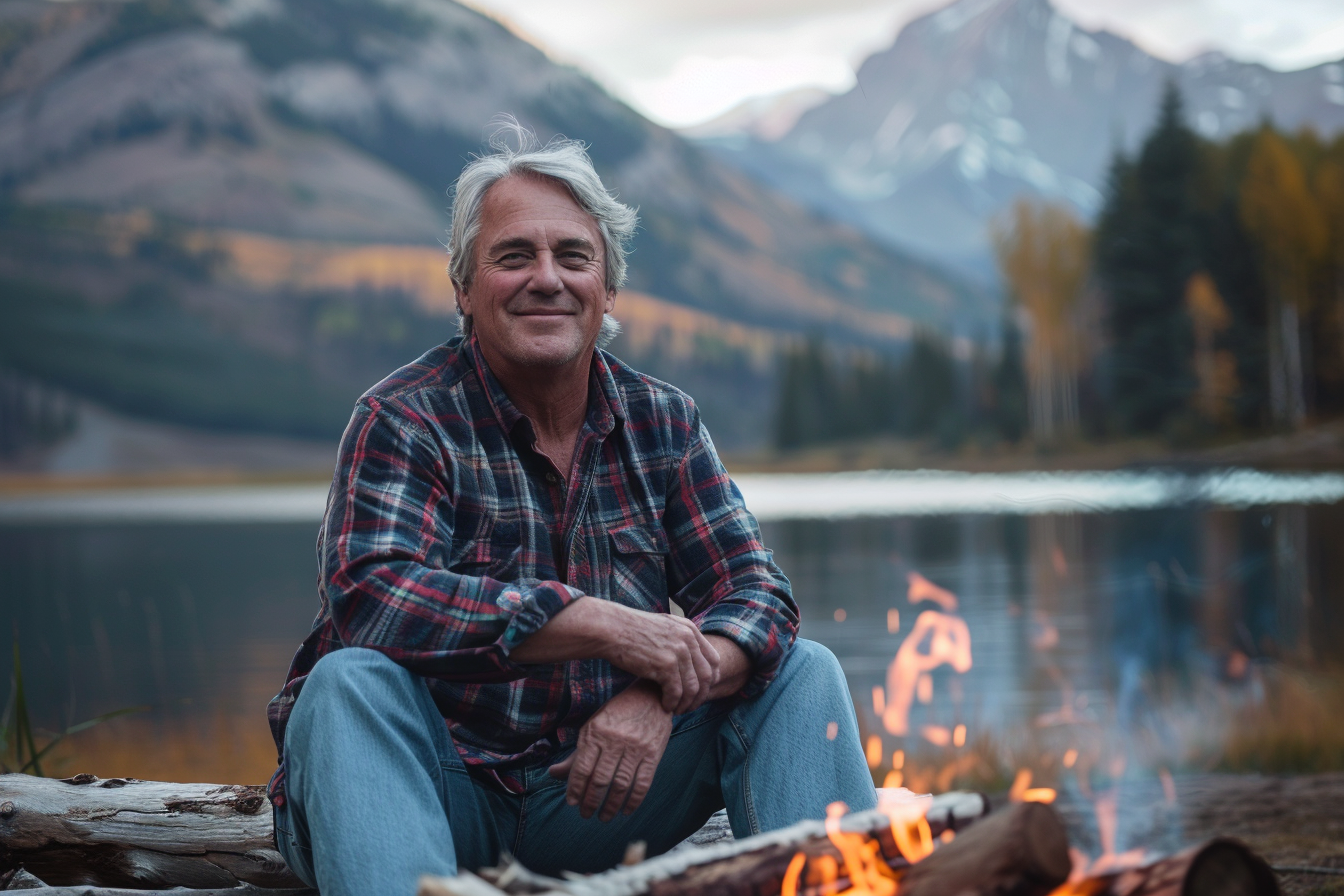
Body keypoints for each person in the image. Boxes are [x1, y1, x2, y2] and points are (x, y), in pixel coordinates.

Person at [265, 123, 876, 896]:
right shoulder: (403, 419)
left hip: (595, 800)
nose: (546, 279)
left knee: (802, 671)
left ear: (608, 286)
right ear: (464, 286)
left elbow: (758, 596)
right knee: (346, 684)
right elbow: (371, 599)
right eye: (513, 255)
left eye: (573, 257)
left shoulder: (665, 421)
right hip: (430, 794)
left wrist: (660, 689)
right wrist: (600, 624)